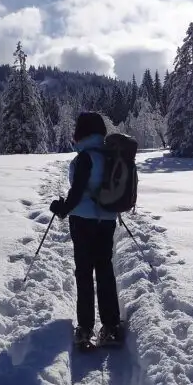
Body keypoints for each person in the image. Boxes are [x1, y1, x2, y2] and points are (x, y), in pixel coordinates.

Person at [49, 112, 124, 349]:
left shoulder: (84, 158)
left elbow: (77, 192)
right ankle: (111, 327)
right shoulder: (110, 155)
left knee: (84, 272)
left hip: (82, 221)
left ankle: (85, 328)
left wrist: (61, 209)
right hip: (107, 219)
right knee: (104, 268)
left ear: (82, 132)